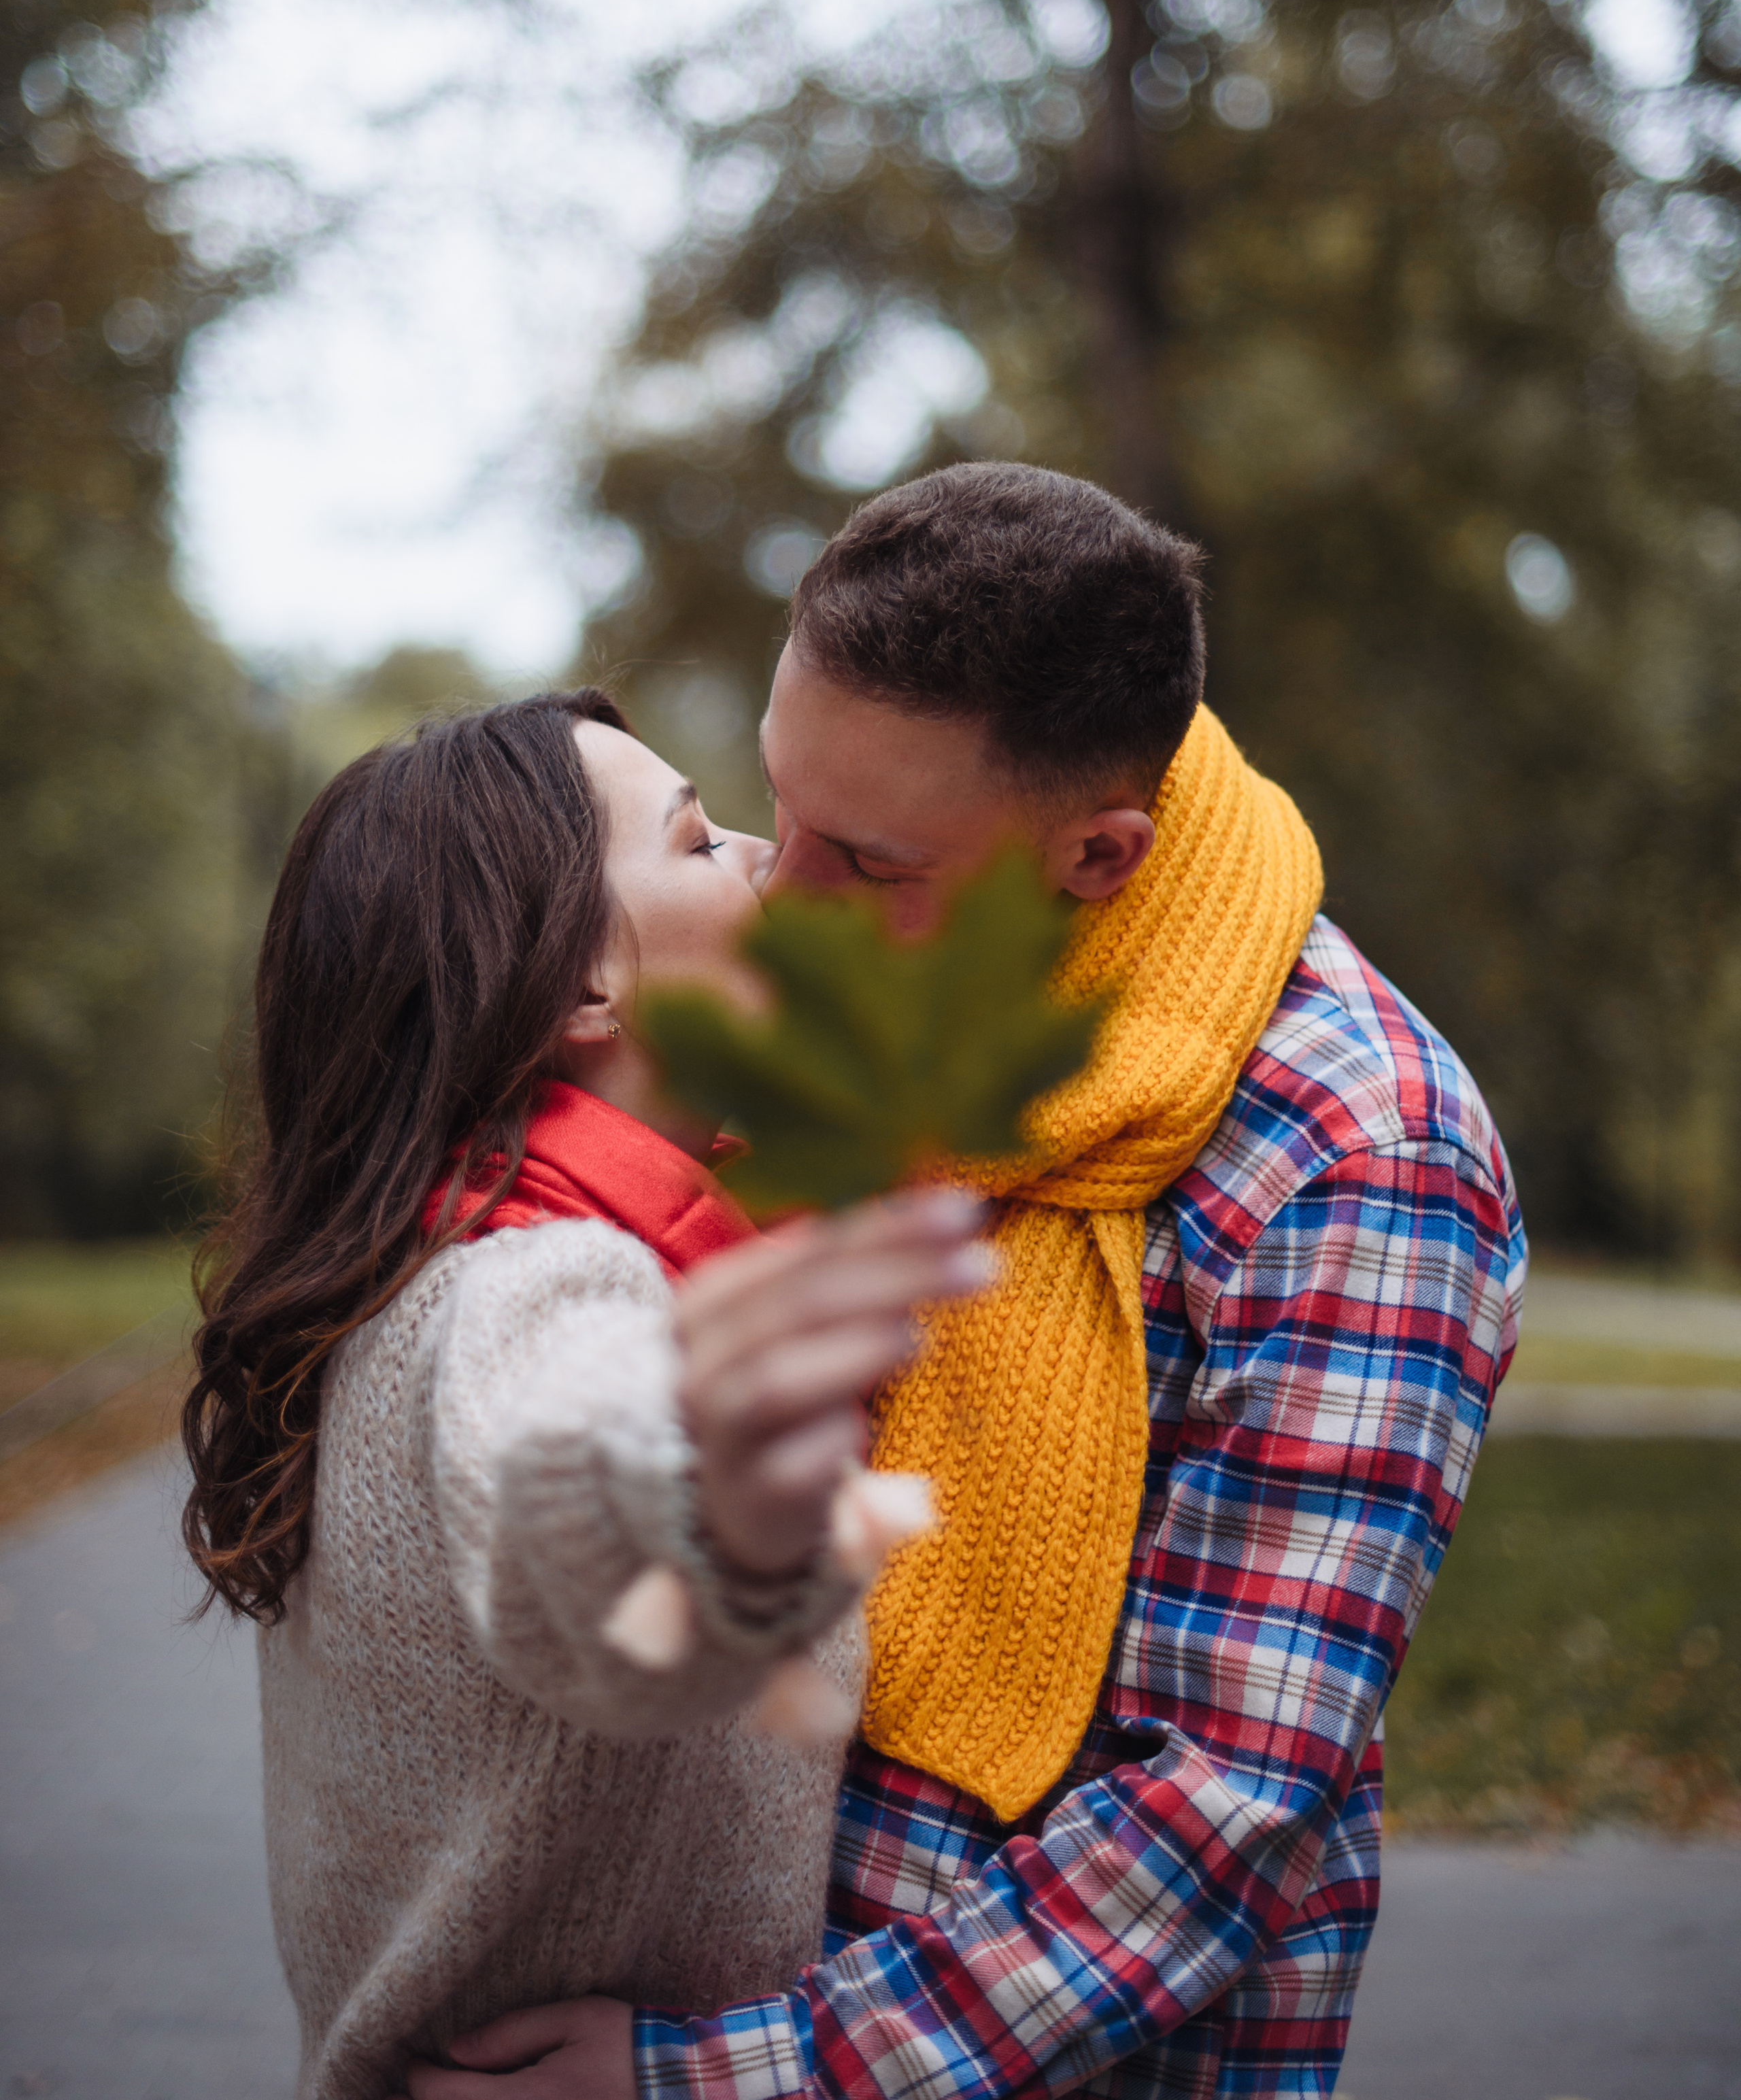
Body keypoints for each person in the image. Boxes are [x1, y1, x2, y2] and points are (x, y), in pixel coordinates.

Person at [423, 464, 1527, 2100]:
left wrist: (709, 2082)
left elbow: (1215, 1809)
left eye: (865, 862)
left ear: (1096, 854)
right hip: (726, 1952)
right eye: (776, 808)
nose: (781, 896)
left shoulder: (1357, 1153)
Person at [180, 688, 991, 2100]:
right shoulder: (551, 1285)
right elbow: (582, 1530)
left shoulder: (428, 1261)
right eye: (690, 841)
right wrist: (718, 1524)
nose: (755, 853)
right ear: (581, 989)